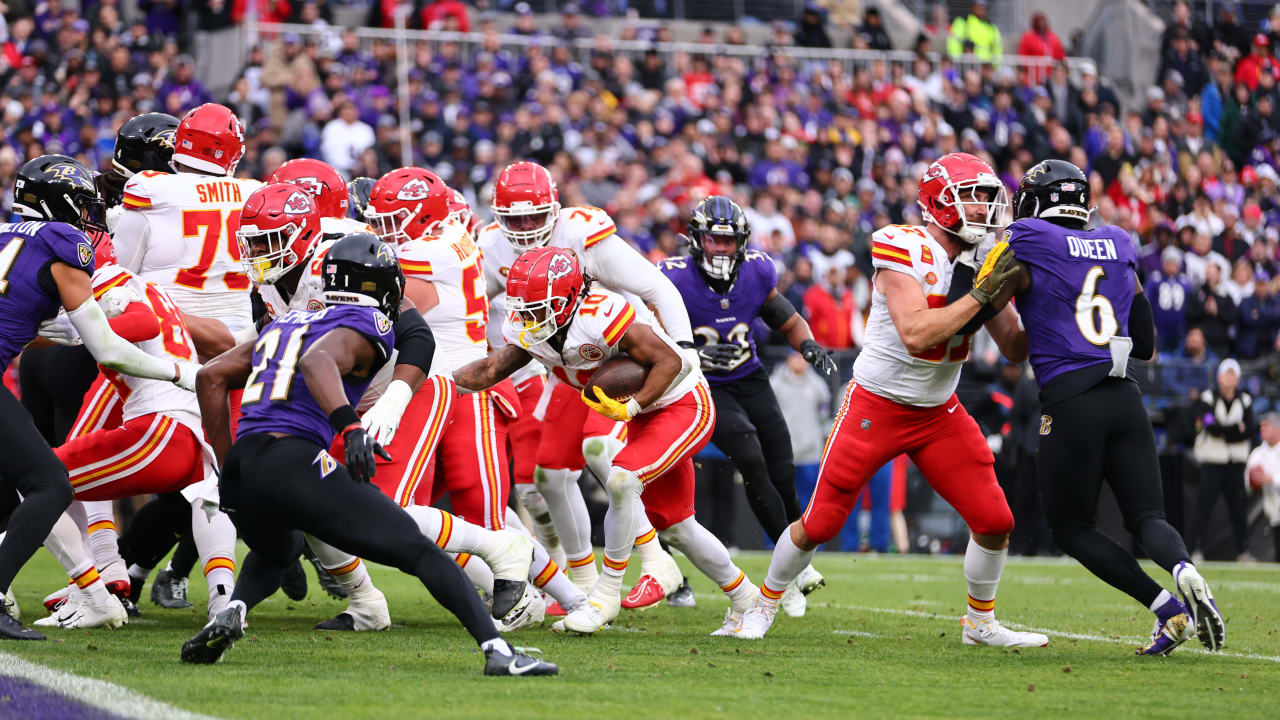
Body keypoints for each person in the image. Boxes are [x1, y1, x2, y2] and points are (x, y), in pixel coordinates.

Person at [180, 232, 557, 676]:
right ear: (384, 284)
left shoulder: (287, 321)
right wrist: (351, 427)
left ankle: (235, 609)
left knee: (279, 551)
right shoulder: (367, 322)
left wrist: (228, 464)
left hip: (247, 464)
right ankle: (499, 653)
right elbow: (317, 362)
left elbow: (210, 377)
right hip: (294, 459)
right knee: (420, 552)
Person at [733, 152, 1043, 647]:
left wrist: (1042, 302)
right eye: (974, 196)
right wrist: (985, 294)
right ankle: (762, 603)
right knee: (820, 523)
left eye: (989, 197)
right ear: (939, 202)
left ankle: (979, 625)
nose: (986, 208)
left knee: (995, 520)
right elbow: (917, 333)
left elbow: (1013, 347)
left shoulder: (986, 253)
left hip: (939, 410)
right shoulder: (903, 244)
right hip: (876, 404)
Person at [452, 247, 758, 637]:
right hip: (644, 415)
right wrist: (431, 383)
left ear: (567, 300)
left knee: (620, 478)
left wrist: (632, 407)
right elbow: (491, 368)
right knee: (679, 528)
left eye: (536, 306)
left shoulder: (601, 314)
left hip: (681, 402)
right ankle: (748, 600)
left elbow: (673, 363)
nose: (526, 317)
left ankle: (605, 595)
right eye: (522, 307)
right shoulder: (537, 330)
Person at [1002, 158, 1224, 654]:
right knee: (1148, 518)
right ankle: (1184, 568)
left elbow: (996, 296)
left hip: (1071, 399)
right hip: (1125, 396)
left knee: (1073, 528)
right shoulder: (1121, 240)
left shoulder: (1028, 237)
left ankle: (1165, 606)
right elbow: (1144, 341)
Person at [364, 167, 580, 624]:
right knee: (426, 517)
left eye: (392, 218)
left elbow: (374, 282)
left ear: (424, 216)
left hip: (466, 395)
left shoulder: (436, 251)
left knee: (482, 512)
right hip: (431, 396)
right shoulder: (447, 240)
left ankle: (558, 597)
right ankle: (543, 594)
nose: (381, 229)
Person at [0, 155, 198, 640]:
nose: (88, 215)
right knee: (51, 484)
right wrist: (178, 371)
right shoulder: (61, 240)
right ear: (60, 202)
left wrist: (50, 329)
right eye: (83, 203)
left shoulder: (5, 234)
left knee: (40, 480)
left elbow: (38, 320)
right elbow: (108, 349)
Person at [478, 161, 691, 609]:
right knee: (550, 475)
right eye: (515, 219)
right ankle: (581, 582)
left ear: (554, 209)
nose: (525, 228)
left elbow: (657, 287)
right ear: (498, 216)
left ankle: (656, 561)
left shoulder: (581, 234)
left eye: (535, 217)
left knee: (601, 449)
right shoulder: (492, 247)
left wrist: (686, 351)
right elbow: (470, 312)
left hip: (619, 359)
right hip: (564, 370)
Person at [33, 253, 231, 630]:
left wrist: (85, 331)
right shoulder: (150, 288)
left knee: (39, 479)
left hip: (159, 429)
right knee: (206, 502)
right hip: (189, 430)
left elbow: (140, 322)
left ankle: (94, 589)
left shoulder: (108, 278)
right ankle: (223, 602)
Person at [657, 195, 835, 616]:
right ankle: (787, 573)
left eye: (728, 241)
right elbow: (646, 329)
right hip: (705, 384)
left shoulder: (756, 269)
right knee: (751, 459)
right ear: (696, 240)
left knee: (784, 469)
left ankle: (796, 559)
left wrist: (807, 344)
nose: (721, 249)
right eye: (713, 241)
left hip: (749, 376)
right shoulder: (672, 279)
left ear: (741, 244)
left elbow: (786, 319)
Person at [1188, 359, 1255, 562]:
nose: (1229, 378)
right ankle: (1195, 549)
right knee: (1204, 508)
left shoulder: (1245, 400)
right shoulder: (1207, 398)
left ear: (1238, 378)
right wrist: (1235, 428)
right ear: (1219, 376)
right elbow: (1209, 425)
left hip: (1235, 464)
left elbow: (1250, 429)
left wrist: (1224, 430)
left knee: (1238, 509)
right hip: (1212, 463)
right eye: (1226, 373)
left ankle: (1243, 551)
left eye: (1233, 374)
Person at [1244, 412, 1280, 562]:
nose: (1262, 429)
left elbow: (1272, 479)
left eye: (1267, 426)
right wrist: (1254, 481)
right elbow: (1247, 483)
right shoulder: (1258, 453)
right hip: (1273, 507)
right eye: (1261, 426)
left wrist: (1271, 479)